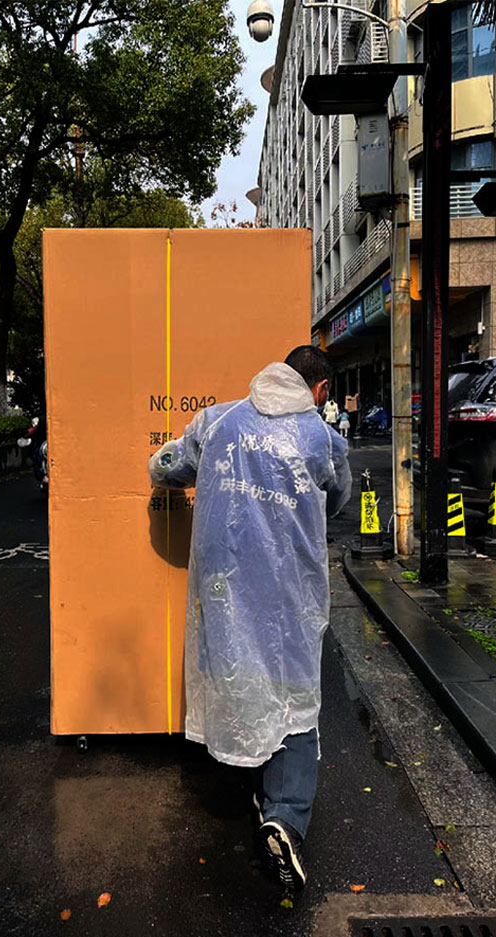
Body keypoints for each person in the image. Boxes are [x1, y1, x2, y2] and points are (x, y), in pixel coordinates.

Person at [149, 346, 351, 890]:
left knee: (238, 676)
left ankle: (242, 776)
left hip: (225, 590)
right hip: (291, 593)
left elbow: (167, 467)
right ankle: (284, 815)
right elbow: (338, 500)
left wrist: (159, 470)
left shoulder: (217, 422)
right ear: (320, 390)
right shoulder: (322, 438)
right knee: (294, 698)